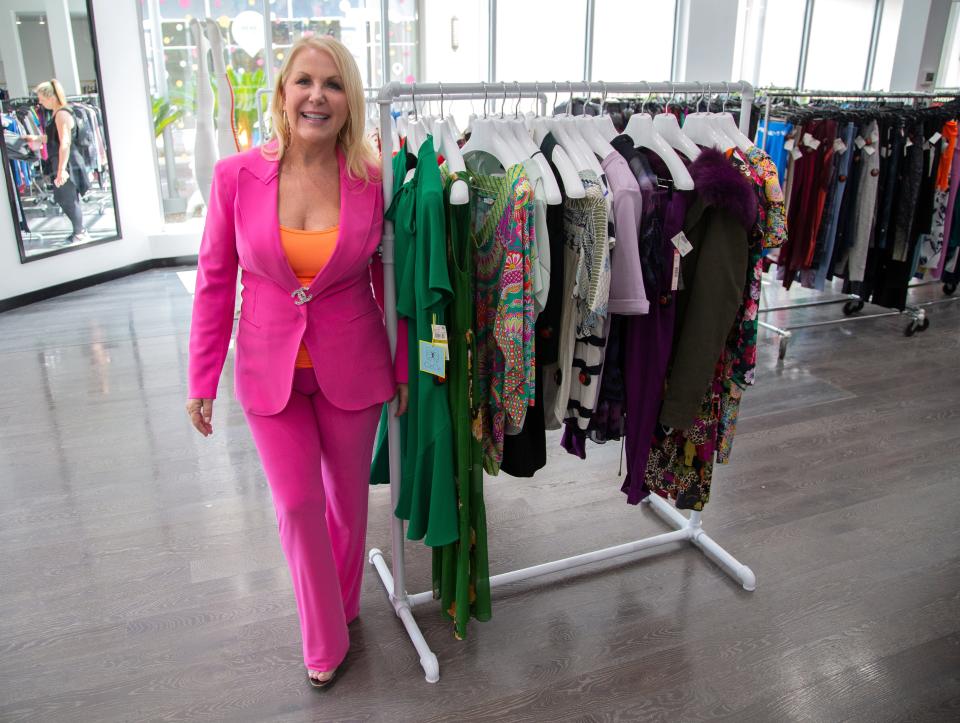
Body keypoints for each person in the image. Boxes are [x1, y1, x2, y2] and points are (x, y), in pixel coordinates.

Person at [185, 36, 407, 690]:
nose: (317, 96)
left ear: (350, 100)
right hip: (265, 368)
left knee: (346, 503)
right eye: (304, 81)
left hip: (354, 365)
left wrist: (398, 372)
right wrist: (200, 380)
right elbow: (214, 280)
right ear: (282, 91)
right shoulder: (236, 176)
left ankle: (341, 605)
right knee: (297, 503)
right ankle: (324, 638)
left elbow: (388, 286)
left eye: (333, 84)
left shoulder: (374, 178)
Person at [32, 80, 91, 243]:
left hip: (67, 162)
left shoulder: (62, 114)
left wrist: (61, 170)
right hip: (65, 161)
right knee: (66, 198)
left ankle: (80, 233)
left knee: (66, 198)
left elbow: (65, 142)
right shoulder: (59, 113)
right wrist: (36, 138)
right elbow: (55, 138)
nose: (40, 103)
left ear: (50, 97)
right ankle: (79, 231)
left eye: (42, 99)